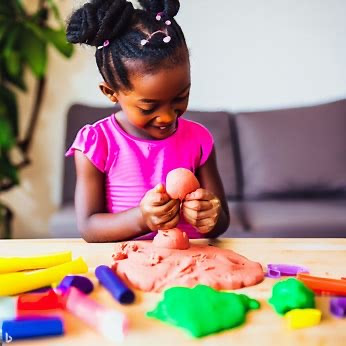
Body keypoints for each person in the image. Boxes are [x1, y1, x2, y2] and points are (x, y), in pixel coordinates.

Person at [65, 0, 230, 242]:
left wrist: (211, 215)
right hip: (128, 265)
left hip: (193, 262)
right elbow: (89, 228)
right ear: (111, 92)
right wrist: (142, 218)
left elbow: (222, 222)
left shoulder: (199, 140)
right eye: (148, 106)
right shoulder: (97, 144)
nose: (167, 117)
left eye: (180, 98)